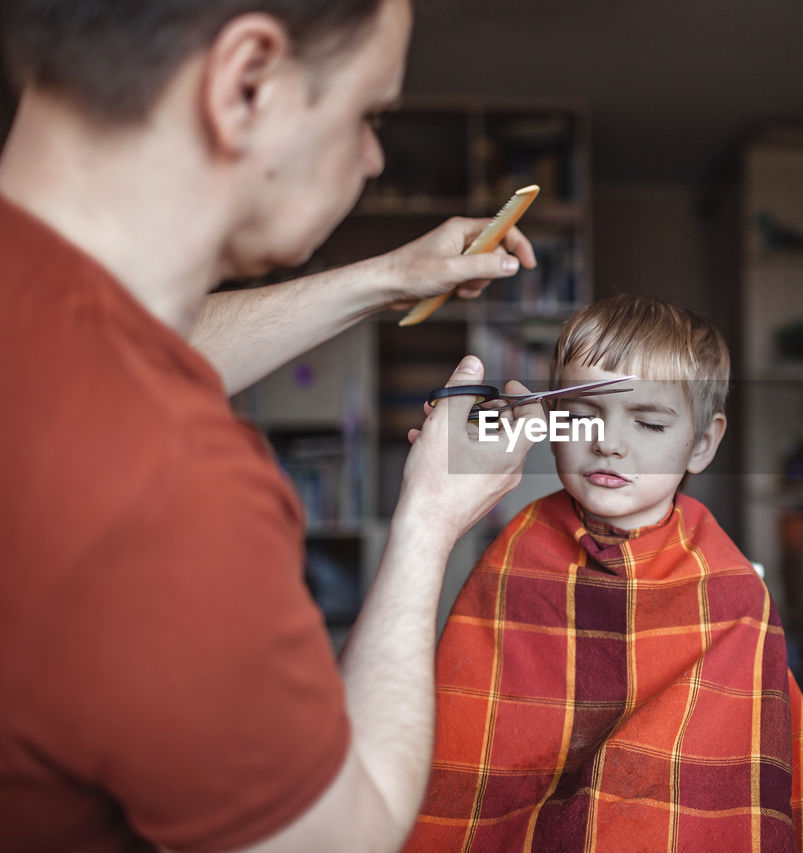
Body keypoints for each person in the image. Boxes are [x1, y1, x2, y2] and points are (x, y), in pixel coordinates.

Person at [0, 2, 544, 851]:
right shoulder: (165, 484)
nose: (371, 156)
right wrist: (429, 518)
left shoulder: (49, 329)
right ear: (248, 79)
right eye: (368, 114)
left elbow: (132, 347)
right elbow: (341, 835)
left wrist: (386, 278)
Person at [409, 295, 803, 851]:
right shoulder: (519, 546)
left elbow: (719, 773)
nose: (609, 444)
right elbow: (470, 738)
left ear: (702, 443)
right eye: (582, 416)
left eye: (647, 423)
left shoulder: (729, 587)